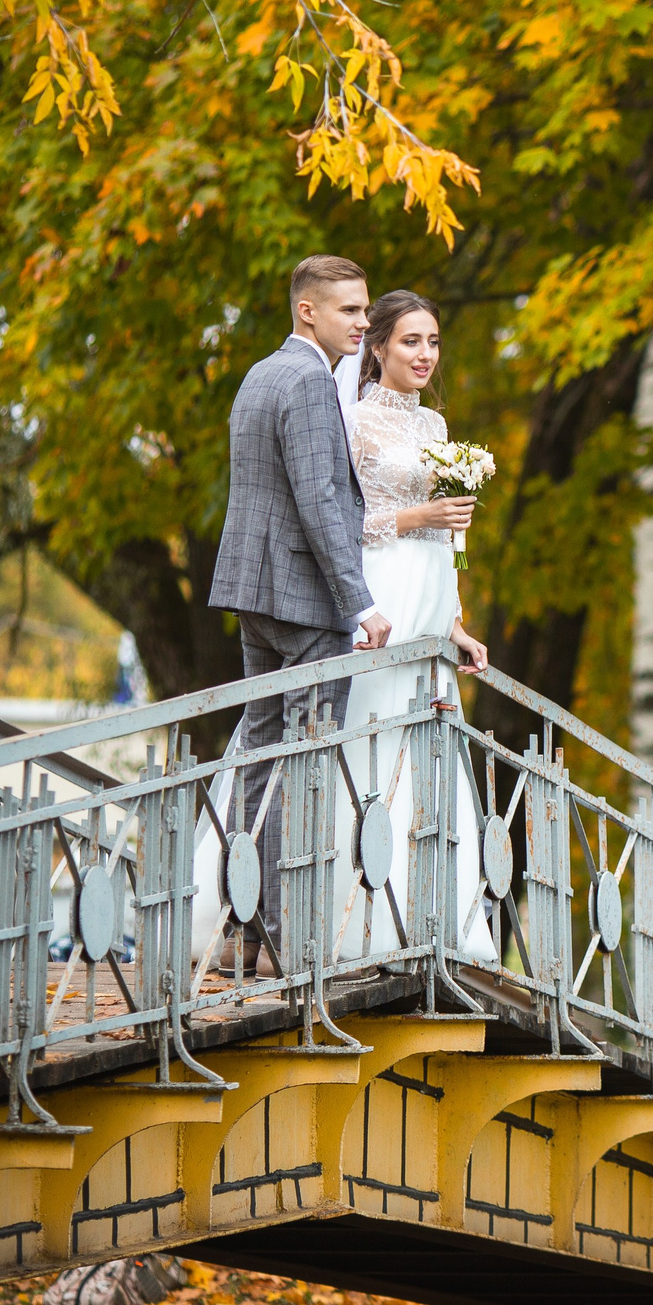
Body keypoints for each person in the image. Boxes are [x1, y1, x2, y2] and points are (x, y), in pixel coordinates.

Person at [203, 255, 389, 968]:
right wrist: (360, 602)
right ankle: (280, 934)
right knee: (304, 760)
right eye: (349, 309)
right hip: (305, 598)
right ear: (307, 310)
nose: (362, 321)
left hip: (254, 590)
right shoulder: (311, 382)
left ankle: (239, 928)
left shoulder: (260, 373)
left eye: (365, 308)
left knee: (260, 755)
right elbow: (317, 501)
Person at [334, 290, 499, 960]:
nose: (425, 354)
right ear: (377, 347)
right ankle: (354, 921)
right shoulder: (350, 420)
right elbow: (340, 525)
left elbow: (445, 540)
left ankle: (431, 921)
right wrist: (416, 519)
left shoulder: (434, 425)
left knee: (424, 744)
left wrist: (456, 622)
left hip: (431, 598)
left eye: (432, 341)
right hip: (382, 595)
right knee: (369, 746)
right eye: (410, 341)